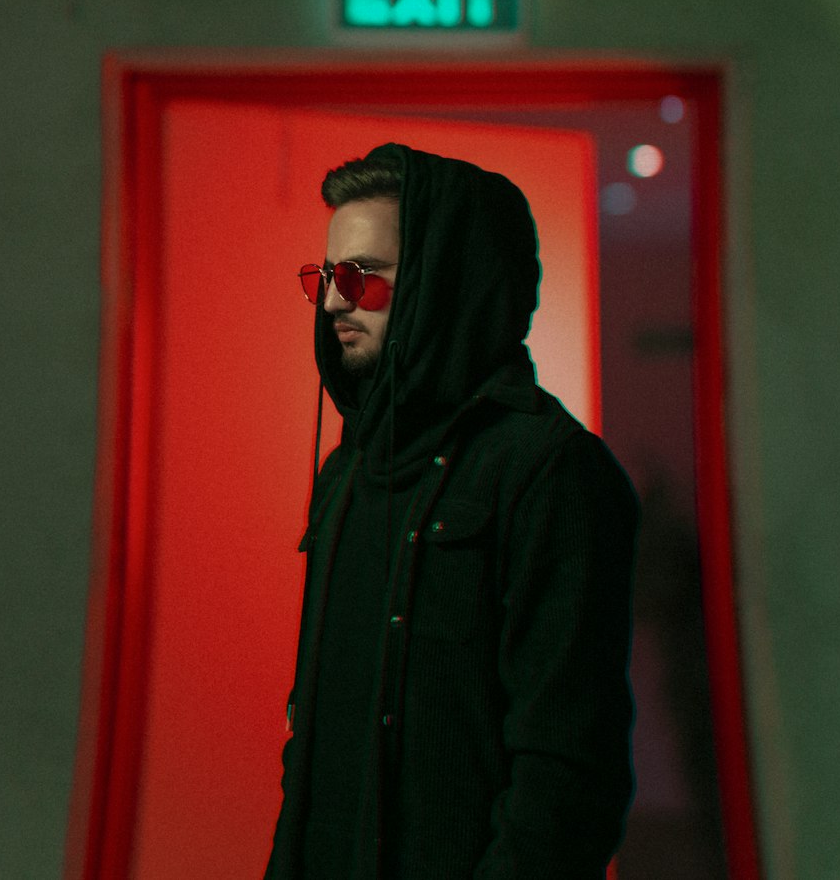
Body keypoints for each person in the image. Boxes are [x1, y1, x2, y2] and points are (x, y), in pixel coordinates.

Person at [265, 143, 638, 880]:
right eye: (330, 278)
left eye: (365, 278)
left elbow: (566, 773)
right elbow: (312, 736)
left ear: (447, 283)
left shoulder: (548, 470)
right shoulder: (349, 470)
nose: (337, 300)